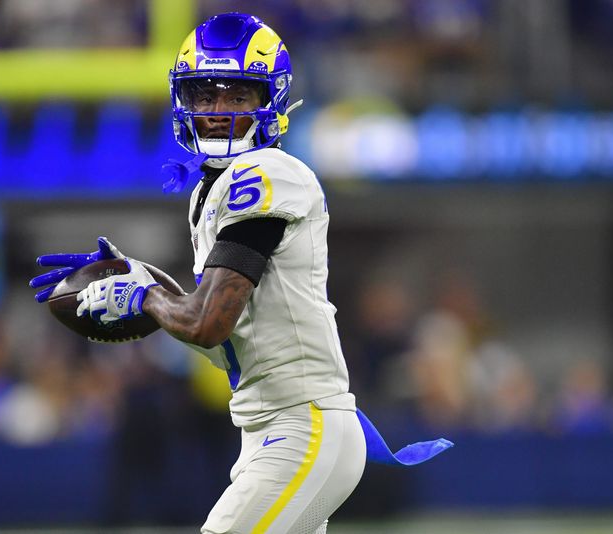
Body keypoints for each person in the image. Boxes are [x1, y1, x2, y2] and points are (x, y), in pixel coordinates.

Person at [30, 13, 451, 533]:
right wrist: (149, 283)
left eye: (236, 96)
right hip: (273, 432)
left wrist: (145, 298)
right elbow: (223, 337)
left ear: (269, 99)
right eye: (204, 96)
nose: (216, 111)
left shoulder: (267, 174)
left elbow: (209, 323)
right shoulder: (212, 192)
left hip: (303, 429)